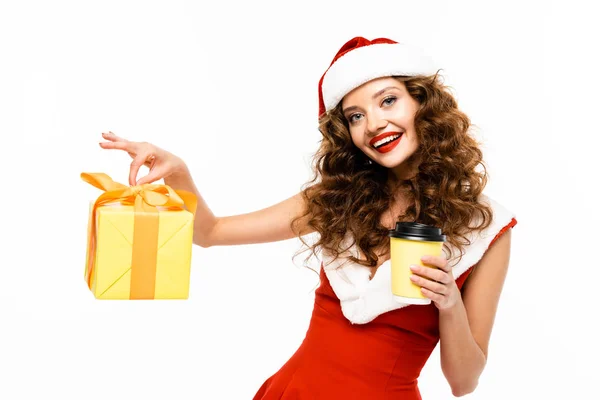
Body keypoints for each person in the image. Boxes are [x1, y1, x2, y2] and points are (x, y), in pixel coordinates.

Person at [99, 36, 517, 399]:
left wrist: (448, 303)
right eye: (355, 116)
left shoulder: (485, 228)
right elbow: (210, 232)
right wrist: (179, 173)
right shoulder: (336, 200)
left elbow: (464, 383)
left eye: (388, 100)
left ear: (424, 104)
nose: (374, 124)